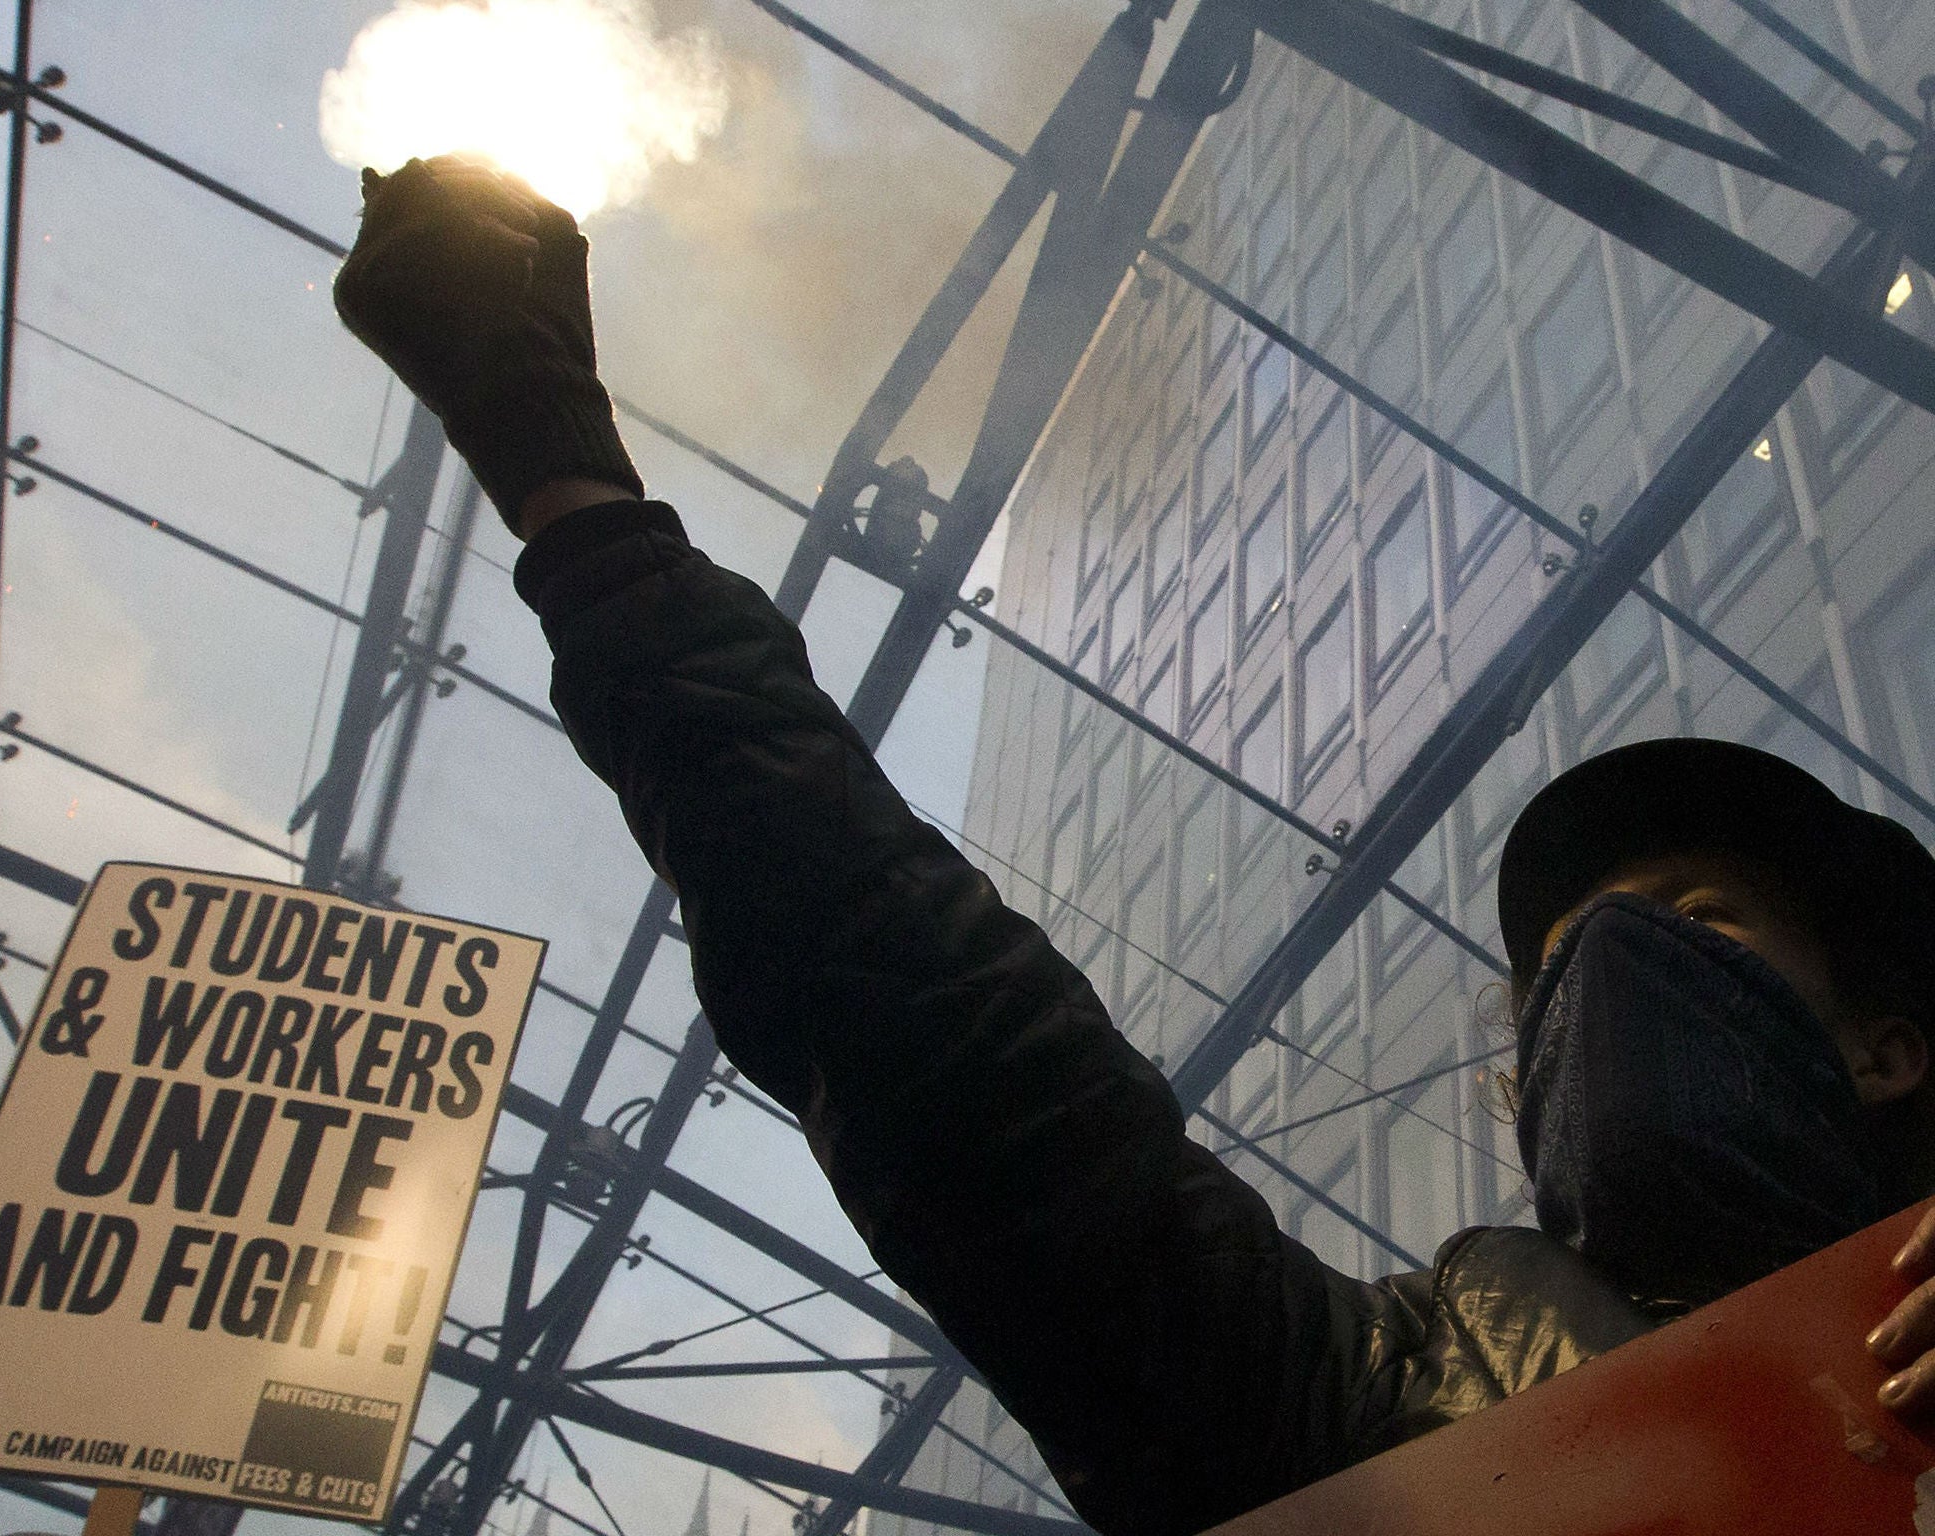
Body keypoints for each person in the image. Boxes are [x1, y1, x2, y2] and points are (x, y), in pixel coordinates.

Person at [332, 157, 1935, 1534]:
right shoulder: (1377, 1396)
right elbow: (957, 1058)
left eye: (1703, 921)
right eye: (1559, 977)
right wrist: (581, 512)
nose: (1614, 972)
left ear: (1889, 1045)